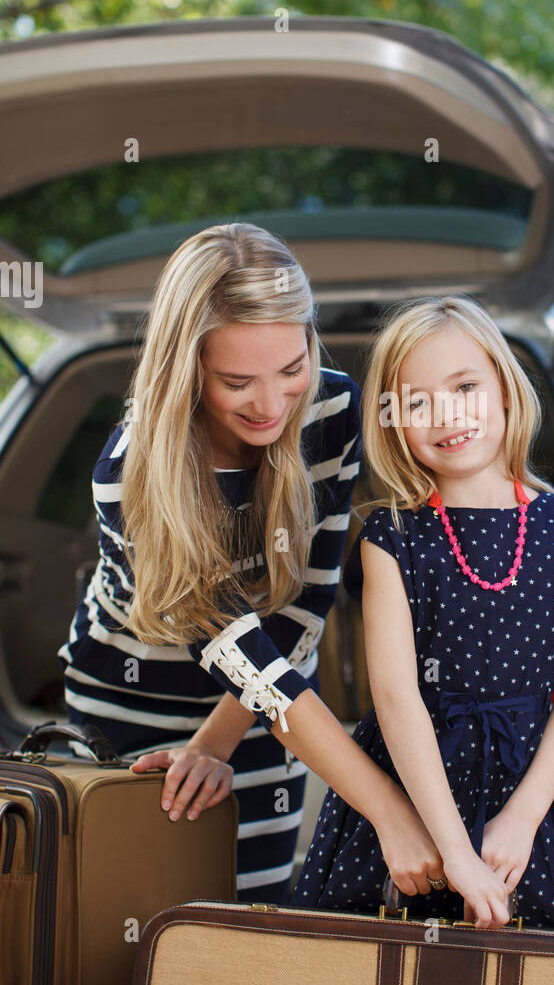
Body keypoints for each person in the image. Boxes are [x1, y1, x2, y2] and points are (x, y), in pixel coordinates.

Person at [58, 222, 446, 908]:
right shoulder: (129, 474)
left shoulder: (330, 411)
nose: (271, 406)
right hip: (126, 713)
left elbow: (304, 610)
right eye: (237, 381)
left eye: (291, 370)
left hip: (268, 707)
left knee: (250, 924)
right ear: (188, 370)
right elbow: (233, 647)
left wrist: (216, 744)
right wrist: (389, 813)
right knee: (119, 932)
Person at [289, 294, 554, 932]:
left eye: (464, 386)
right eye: (416, 402)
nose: (446, 415)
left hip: (535, 811)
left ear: (503, 386)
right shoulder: (392, 535)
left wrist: (522, 818)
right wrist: (453, 853)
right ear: (393, 423)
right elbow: (397, 698)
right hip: (417, 798)